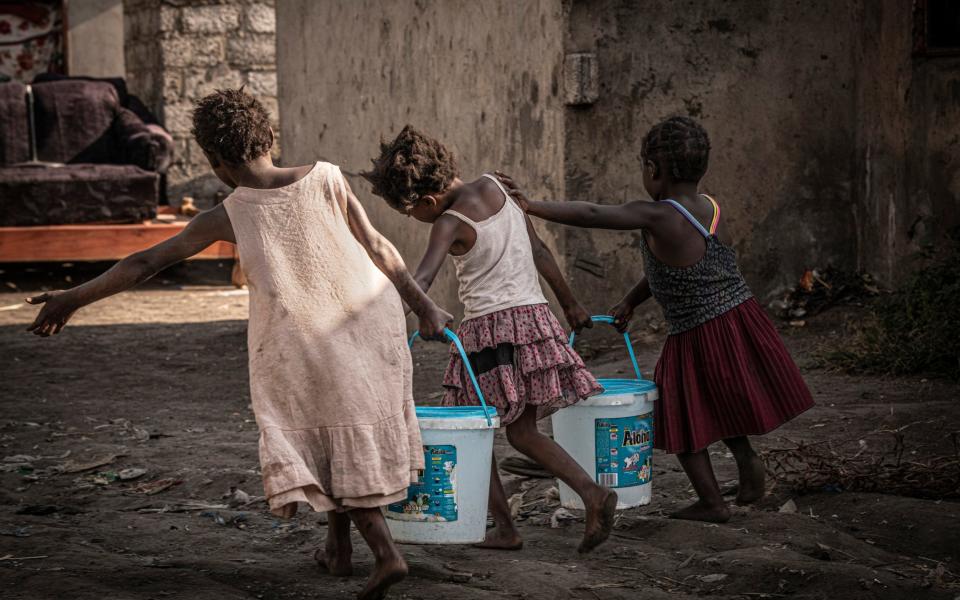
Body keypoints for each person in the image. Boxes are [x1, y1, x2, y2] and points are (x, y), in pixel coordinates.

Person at [25, 88, 453, 600]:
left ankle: (387, 556)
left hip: (301, 338)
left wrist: (74, 297)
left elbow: (145, 263)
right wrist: (424, 305)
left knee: (327, 428)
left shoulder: (229, 213)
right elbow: (379, 247)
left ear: (214, 161)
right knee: (341, 424)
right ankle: (339, 552)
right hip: (369, 318)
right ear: (270, 136)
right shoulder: (327, 176)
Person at [499, 116, 814, 523]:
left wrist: (531, 206)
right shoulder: (711, 208)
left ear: (653, 170)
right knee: (722, 402)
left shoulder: (660, 215)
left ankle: (712, 503)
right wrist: (631, 300)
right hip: (738, 319)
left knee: (682, 416)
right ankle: (749, 467)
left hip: (697, 331)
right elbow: (676, 268)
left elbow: (594, 213)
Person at [361, 126, 617, 552]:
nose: (415, 219)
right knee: (519, 431)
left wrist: (378, 324)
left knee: (477, 431)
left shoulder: (448, 222)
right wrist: (569, 303)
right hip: (535, 320)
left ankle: (553, 508)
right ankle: (554, 508)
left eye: (410, 213)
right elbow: (538, 251)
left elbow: (420, 279)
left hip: (490, 332)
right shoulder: (499, 185)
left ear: (425, 202)